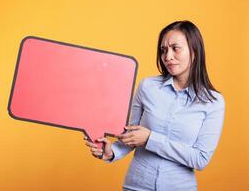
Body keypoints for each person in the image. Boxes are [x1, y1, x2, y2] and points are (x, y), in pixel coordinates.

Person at [84, 20, 225, 191]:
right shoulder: (147, 86)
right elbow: (131, 134)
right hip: (135, 186)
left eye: (175, 48)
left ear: (194, 51)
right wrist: (112, 152)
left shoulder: (213, 102)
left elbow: (200, 159)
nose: (168, 57)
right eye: (163, 50)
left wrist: (151, 139)